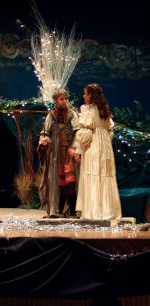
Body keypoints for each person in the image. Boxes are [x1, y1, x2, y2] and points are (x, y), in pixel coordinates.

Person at [75, 83, 122, 220]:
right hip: (105, 146)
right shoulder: (104, 110)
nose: (83, 96)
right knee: (105, 175)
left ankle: (94, 212)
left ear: (90, 95)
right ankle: (108, 211)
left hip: (93, 145)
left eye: (85, 93)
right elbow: (110, 131)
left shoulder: (87, 109)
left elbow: (85, 133)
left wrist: (79, 149)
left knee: (94, 174)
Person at [38, 88, 80, 218]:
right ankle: (58, 210)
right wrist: (45, 140)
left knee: (71, 182)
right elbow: (45, 133)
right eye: (62, 99)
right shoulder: (51, 116)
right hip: (56, 154)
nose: (65, 101)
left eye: (66, 99)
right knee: (59, 183)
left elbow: (78, 132)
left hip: (69, 154)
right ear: (56, 100)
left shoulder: (72, 114)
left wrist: (74, 147)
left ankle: (73, 211)